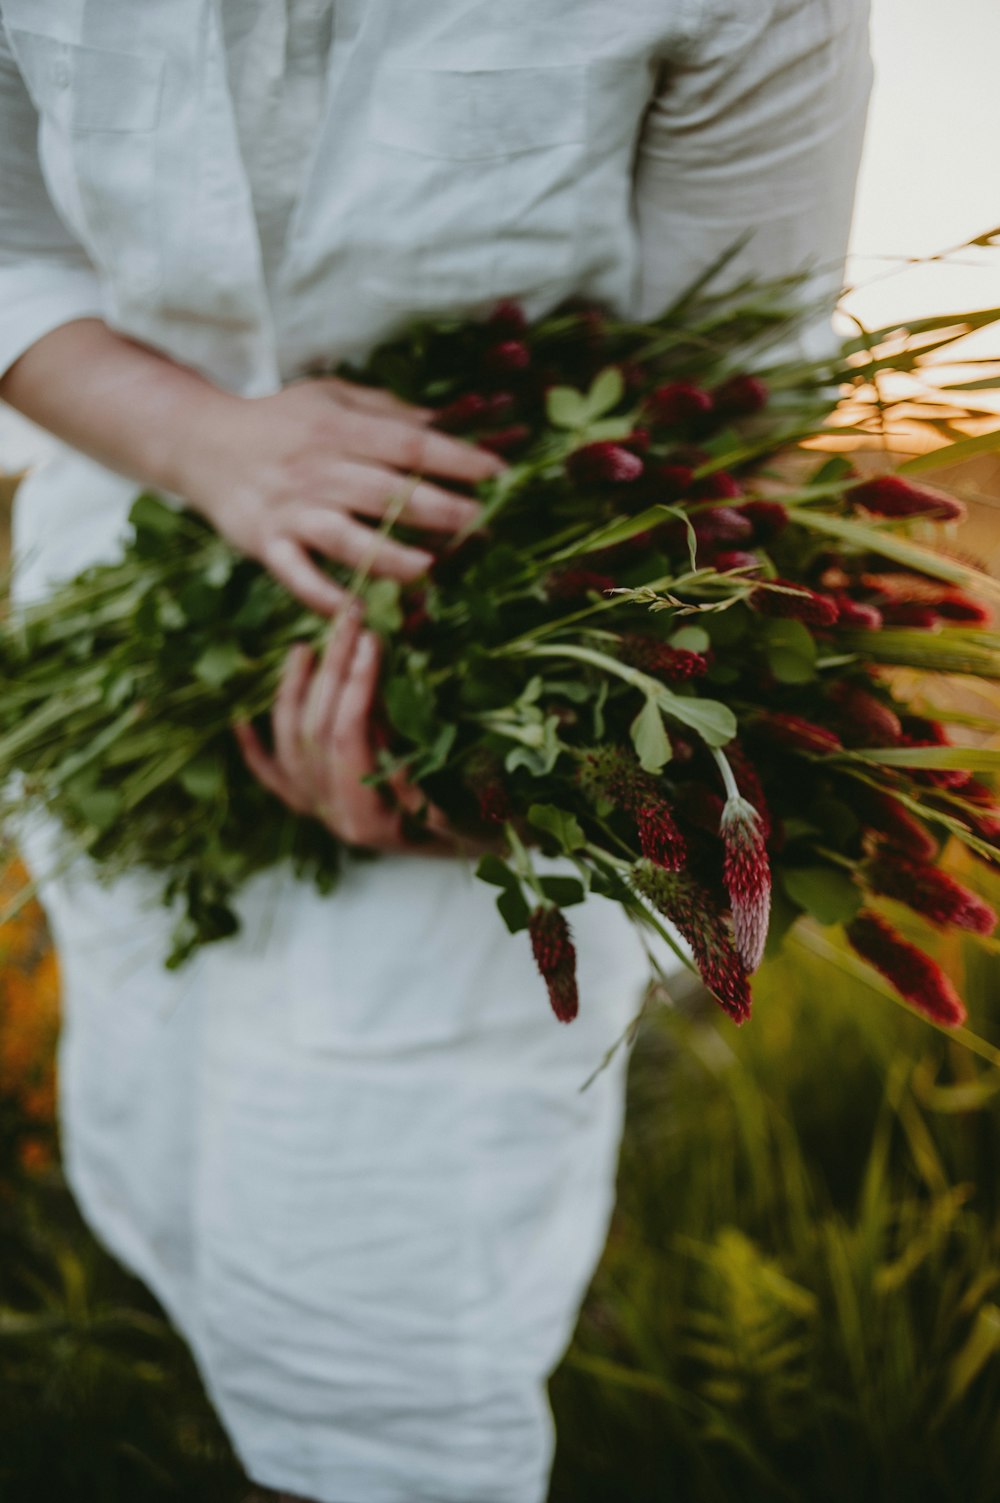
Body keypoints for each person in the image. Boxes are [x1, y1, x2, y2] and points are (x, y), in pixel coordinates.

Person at [0, 3, 872, 1500]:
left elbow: (737, 391)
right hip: (127, 574)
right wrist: (207, 443)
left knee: (384, 1334)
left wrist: (493, 757)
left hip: (489, 644)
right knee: (163, 1164)